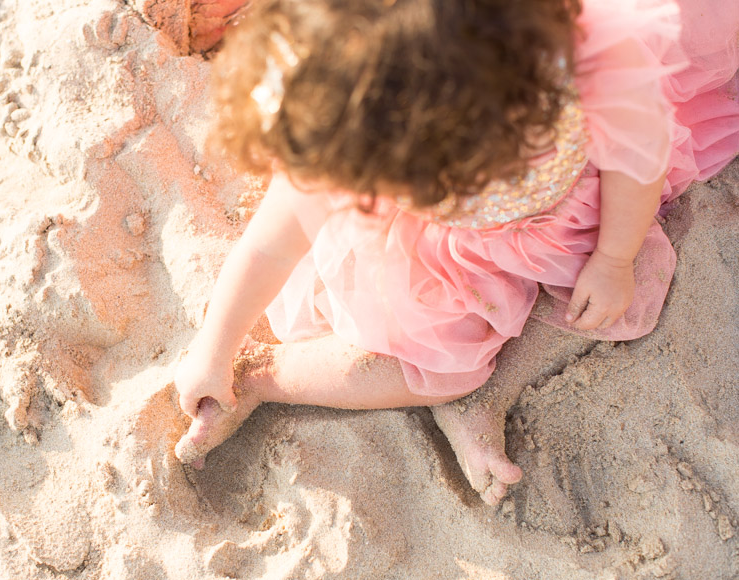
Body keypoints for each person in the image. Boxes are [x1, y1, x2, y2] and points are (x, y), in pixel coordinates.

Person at [172, 0, 739, 505]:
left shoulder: (581, 58)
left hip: (572, 204)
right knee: (442, 366)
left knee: (628, 285)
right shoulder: (349, 120)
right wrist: (215, 346)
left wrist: (614, 257)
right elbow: (271, 245)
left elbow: (639, 153)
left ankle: (487, 392)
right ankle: (262, 377)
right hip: (454, 248)